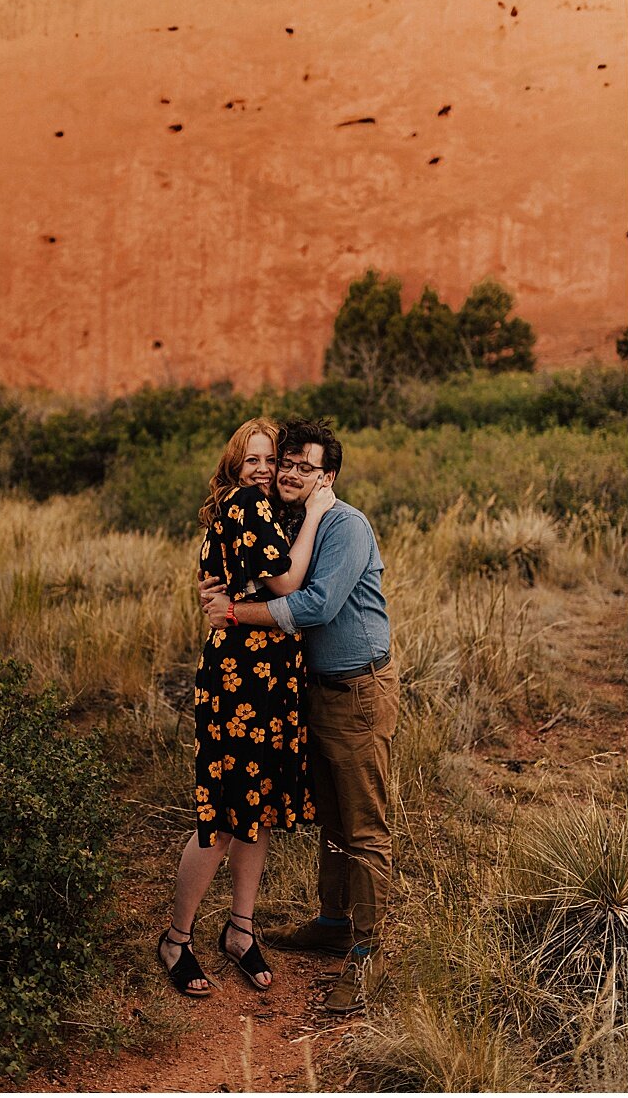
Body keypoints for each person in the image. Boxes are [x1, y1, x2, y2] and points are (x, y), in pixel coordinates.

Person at [199, 417, 397, 1015]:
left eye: (303, 467)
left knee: (364, 826)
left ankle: (369, 955)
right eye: (285, 462)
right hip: (313, 691)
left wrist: (234, 612)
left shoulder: (344, 524)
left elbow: (313, 605)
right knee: (332, 817)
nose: (287, 472)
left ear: (327, 477)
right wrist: (217, 589)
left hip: (356, 691)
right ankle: (335, 922)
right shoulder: (279, 520)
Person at [158, 417, 334, 998]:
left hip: (270, 675)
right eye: (253, 458)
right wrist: (313, 514)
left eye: (272, 459)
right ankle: (176, 940)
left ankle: (240, 931)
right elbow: (287, 583)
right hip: (241, 679)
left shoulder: (256, 511)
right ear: (236, 463)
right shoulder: (246, 506)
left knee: (254, 809)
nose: (265, 469)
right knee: (225, 816)